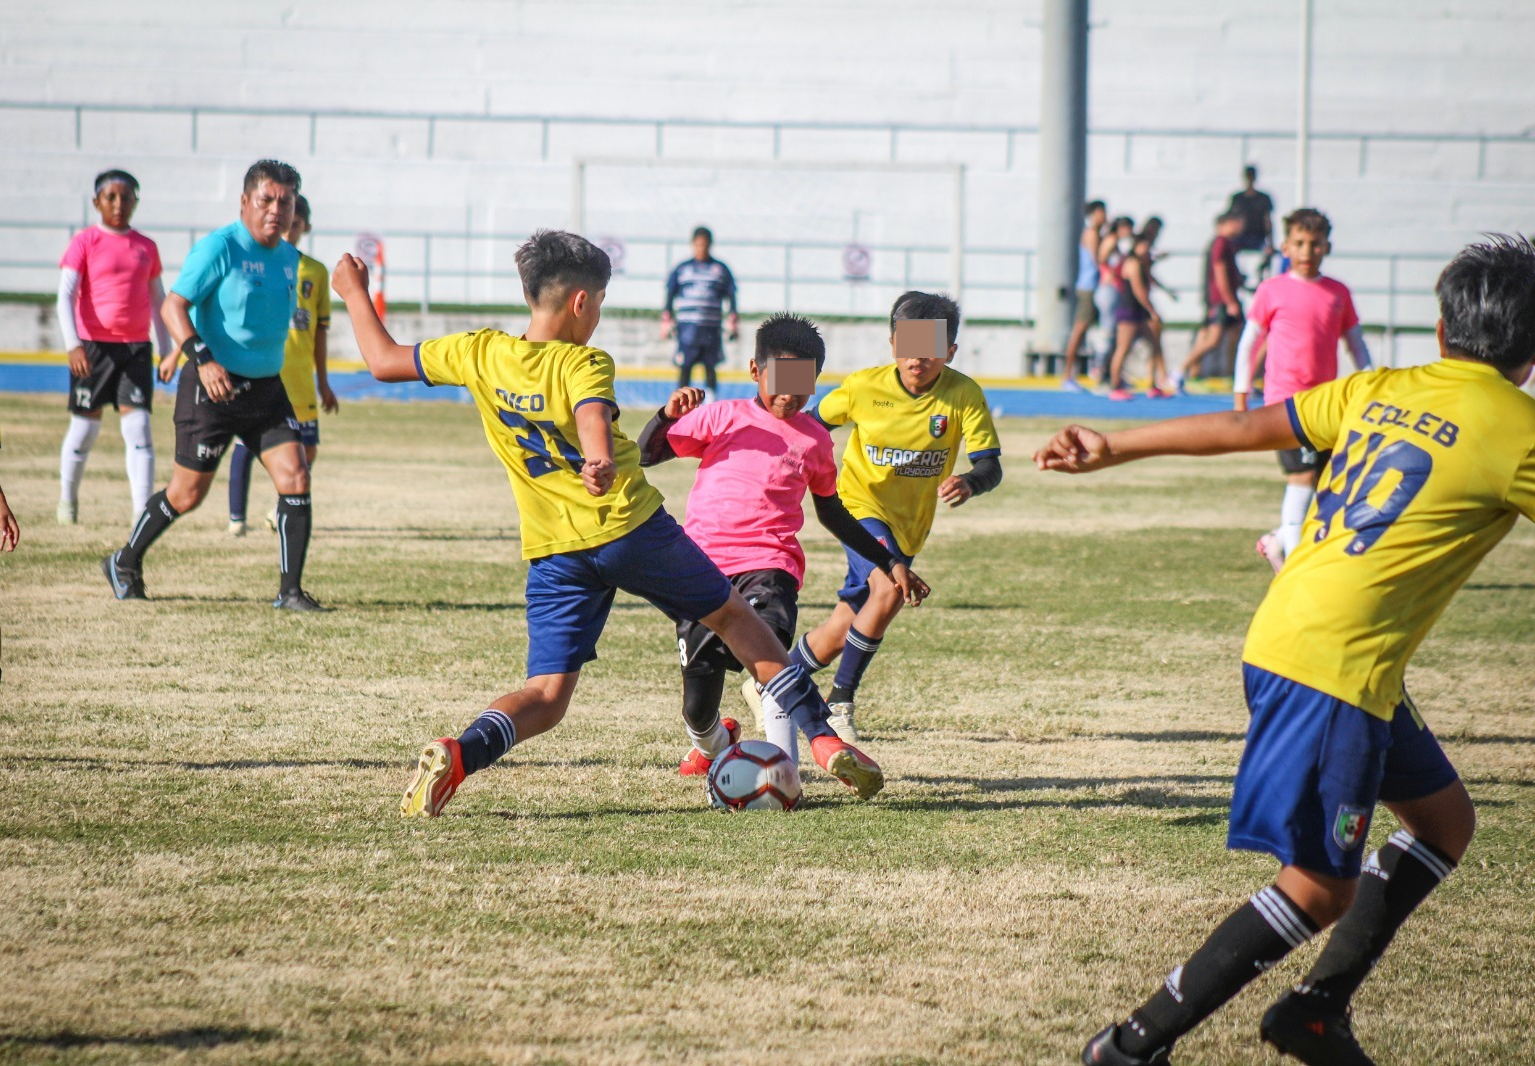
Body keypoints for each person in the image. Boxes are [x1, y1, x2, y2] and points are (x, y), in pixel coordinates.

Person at [1042, 234, 1535, 1066]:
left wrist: (1114, 445)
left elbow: (1246, 425)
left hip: (1302, 640)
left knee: (1443, 821)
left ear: (1441, 333)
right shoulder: (1518, 431)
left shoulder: (1381, 388)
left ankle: (1313, 1012)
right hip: (1330, 671)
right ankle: (1130, 1046)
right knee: (1318, 888)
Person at [330, 229, 885, 817]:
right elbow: (591, 411)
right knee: (733, 617)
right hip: (629, 527)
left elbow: (382, 360)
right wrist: (597, 457)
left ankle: (459, 753)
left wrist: (353, 292)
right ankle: (823, 738)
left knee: (545, 695)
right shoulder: (584, 361)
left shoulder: (478, 351)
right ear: (579, 302)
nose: (597, 316)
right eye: (598, 302)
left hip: (554, 550)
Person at [636, 313, 929, 774]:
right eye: (782, 381)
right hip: (701, 568)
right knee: (697, 707)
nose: (791, 395)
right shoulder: (720, 417)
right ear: (756, 370)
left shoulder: (814, 439)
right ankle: (715, 743)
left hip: (770, 566)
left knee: (769, 658)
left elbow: (832, 511)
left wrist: (887, 560)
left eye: (804, 384)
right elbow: (645, 455)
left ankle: (786, 773)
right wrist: (666, 416)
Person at [768, 291, 1002, 742]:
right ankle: (839, 703)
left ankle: (769, 683)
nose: (919, 358)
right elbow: (808, 423)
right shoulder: (863, 387)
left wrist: (971, 481)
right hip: (857, 507)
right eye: (909, 345)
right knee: (890, 589)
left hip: (909, 526)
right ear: (893, 343)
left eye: (932, 347)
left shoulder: (963, 394)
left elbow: (991, 464)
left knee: (842, 628)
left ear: (950, 351)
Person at [100, 159, 324, 611]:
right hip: (212, 390)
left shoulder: (289, 258)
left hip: (266, 390)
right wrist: (201, 360)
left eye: (286, 201)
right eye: (266, 199)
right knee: (187, 494)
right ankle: (123, 561)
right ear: (245, 202)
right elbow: (173, 307)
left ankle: (290, 592)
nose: (276, 209)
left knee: (296, 476)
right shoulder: (220, 247)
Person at [1233, 208, 1372, 572]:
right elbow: (1249, 344)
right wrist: (1240, 392)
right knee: (1302, 478)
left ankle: (1277, 543)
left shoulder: (1337, 293)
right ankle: (1293, 571)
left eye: (1315, 243)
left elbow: (1355, 344)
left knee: (1324, 484)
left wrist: (1372, 381)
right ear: (1284, 246)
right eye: (1299, 243)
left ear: (1327, 246)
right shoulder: (1271, 290)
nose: (1307, 251)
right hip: (1285, 404)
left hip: (1327, 405)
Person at [55, 169, 171, 525]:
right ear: (97, 202)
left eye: (127, 197)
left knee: (138, 430)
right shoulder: (84, 242)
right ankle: (67, 503)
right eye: (111, 197)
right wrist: (74, 344)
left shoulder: (146, 246)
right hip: (92, 351)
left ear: (136, 201)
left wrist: (166, 350)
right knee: (85, 429)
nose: (119, 205)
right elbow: (65, 296)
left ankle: (141, 513)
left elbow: (157, 300)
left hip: (135, 349)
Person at [227, 194, 338, 536]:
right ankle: (236, 518)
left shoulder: (316, 272)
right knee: (246, 444)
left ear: (305, 226)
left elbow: (319, 331)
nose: (291, 228)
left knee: (308, 448)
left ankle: (280, 508)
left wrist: (324, 381)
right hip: (264, 369)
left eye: (298, 222)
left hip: (301, 376)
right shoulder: (257, 263)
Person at [661, 226, 738, 403]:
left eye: (704, 244)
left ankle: (710, 401)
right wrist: (666, 319)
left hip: (711, 328)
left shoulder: (720, 269)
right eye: (698, 244)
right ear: (693, 244)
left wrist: (733, 319)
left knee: (710, 366)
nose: (701, 248)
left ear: (710, 245)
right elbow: (670, 294)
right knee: (685, 366)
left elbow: (731, 295)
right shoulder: (682, 269)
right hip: (687, 329)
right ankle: (680, 403)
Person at [1176, 211, 1247, 389]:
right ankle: (1179, 370)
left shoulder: (1227, 244)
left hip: (1222, 299)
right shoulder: (1220, 242)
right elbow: (1219, 271)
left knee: (1235, 335)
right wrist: (1230, 301)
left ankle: (1230, 375)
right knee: (1214, 338)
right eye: (1237, 222)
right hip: (1221, 300)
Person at [1107, 222, 1173, 400]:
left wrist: (1168, 292)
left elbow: (1150, 280)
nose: (1146, 248)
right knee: (1123, 349)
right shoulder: (1132, 263)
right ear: (1136, 246)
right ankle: (1115, 386)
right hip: (1129, 312)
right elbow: (1138, 291)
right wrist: (1152, 311)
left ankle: (1152, 385)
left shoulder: (1142, 262)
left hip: (1140, 313)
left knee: (1153, 345)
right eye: (1143, 245)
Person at [1062, 200, 1108, 392]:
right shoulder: (1091, 233)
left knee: (1090, 333)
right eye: (1102, 212)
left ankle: (1097, 372)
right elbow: (1099, 260)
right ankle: (1067, 377)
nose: (1105, 216)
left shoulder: (1096, 233)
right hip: (1088, 288)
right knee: (1079, 331)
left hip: (1092, 288)